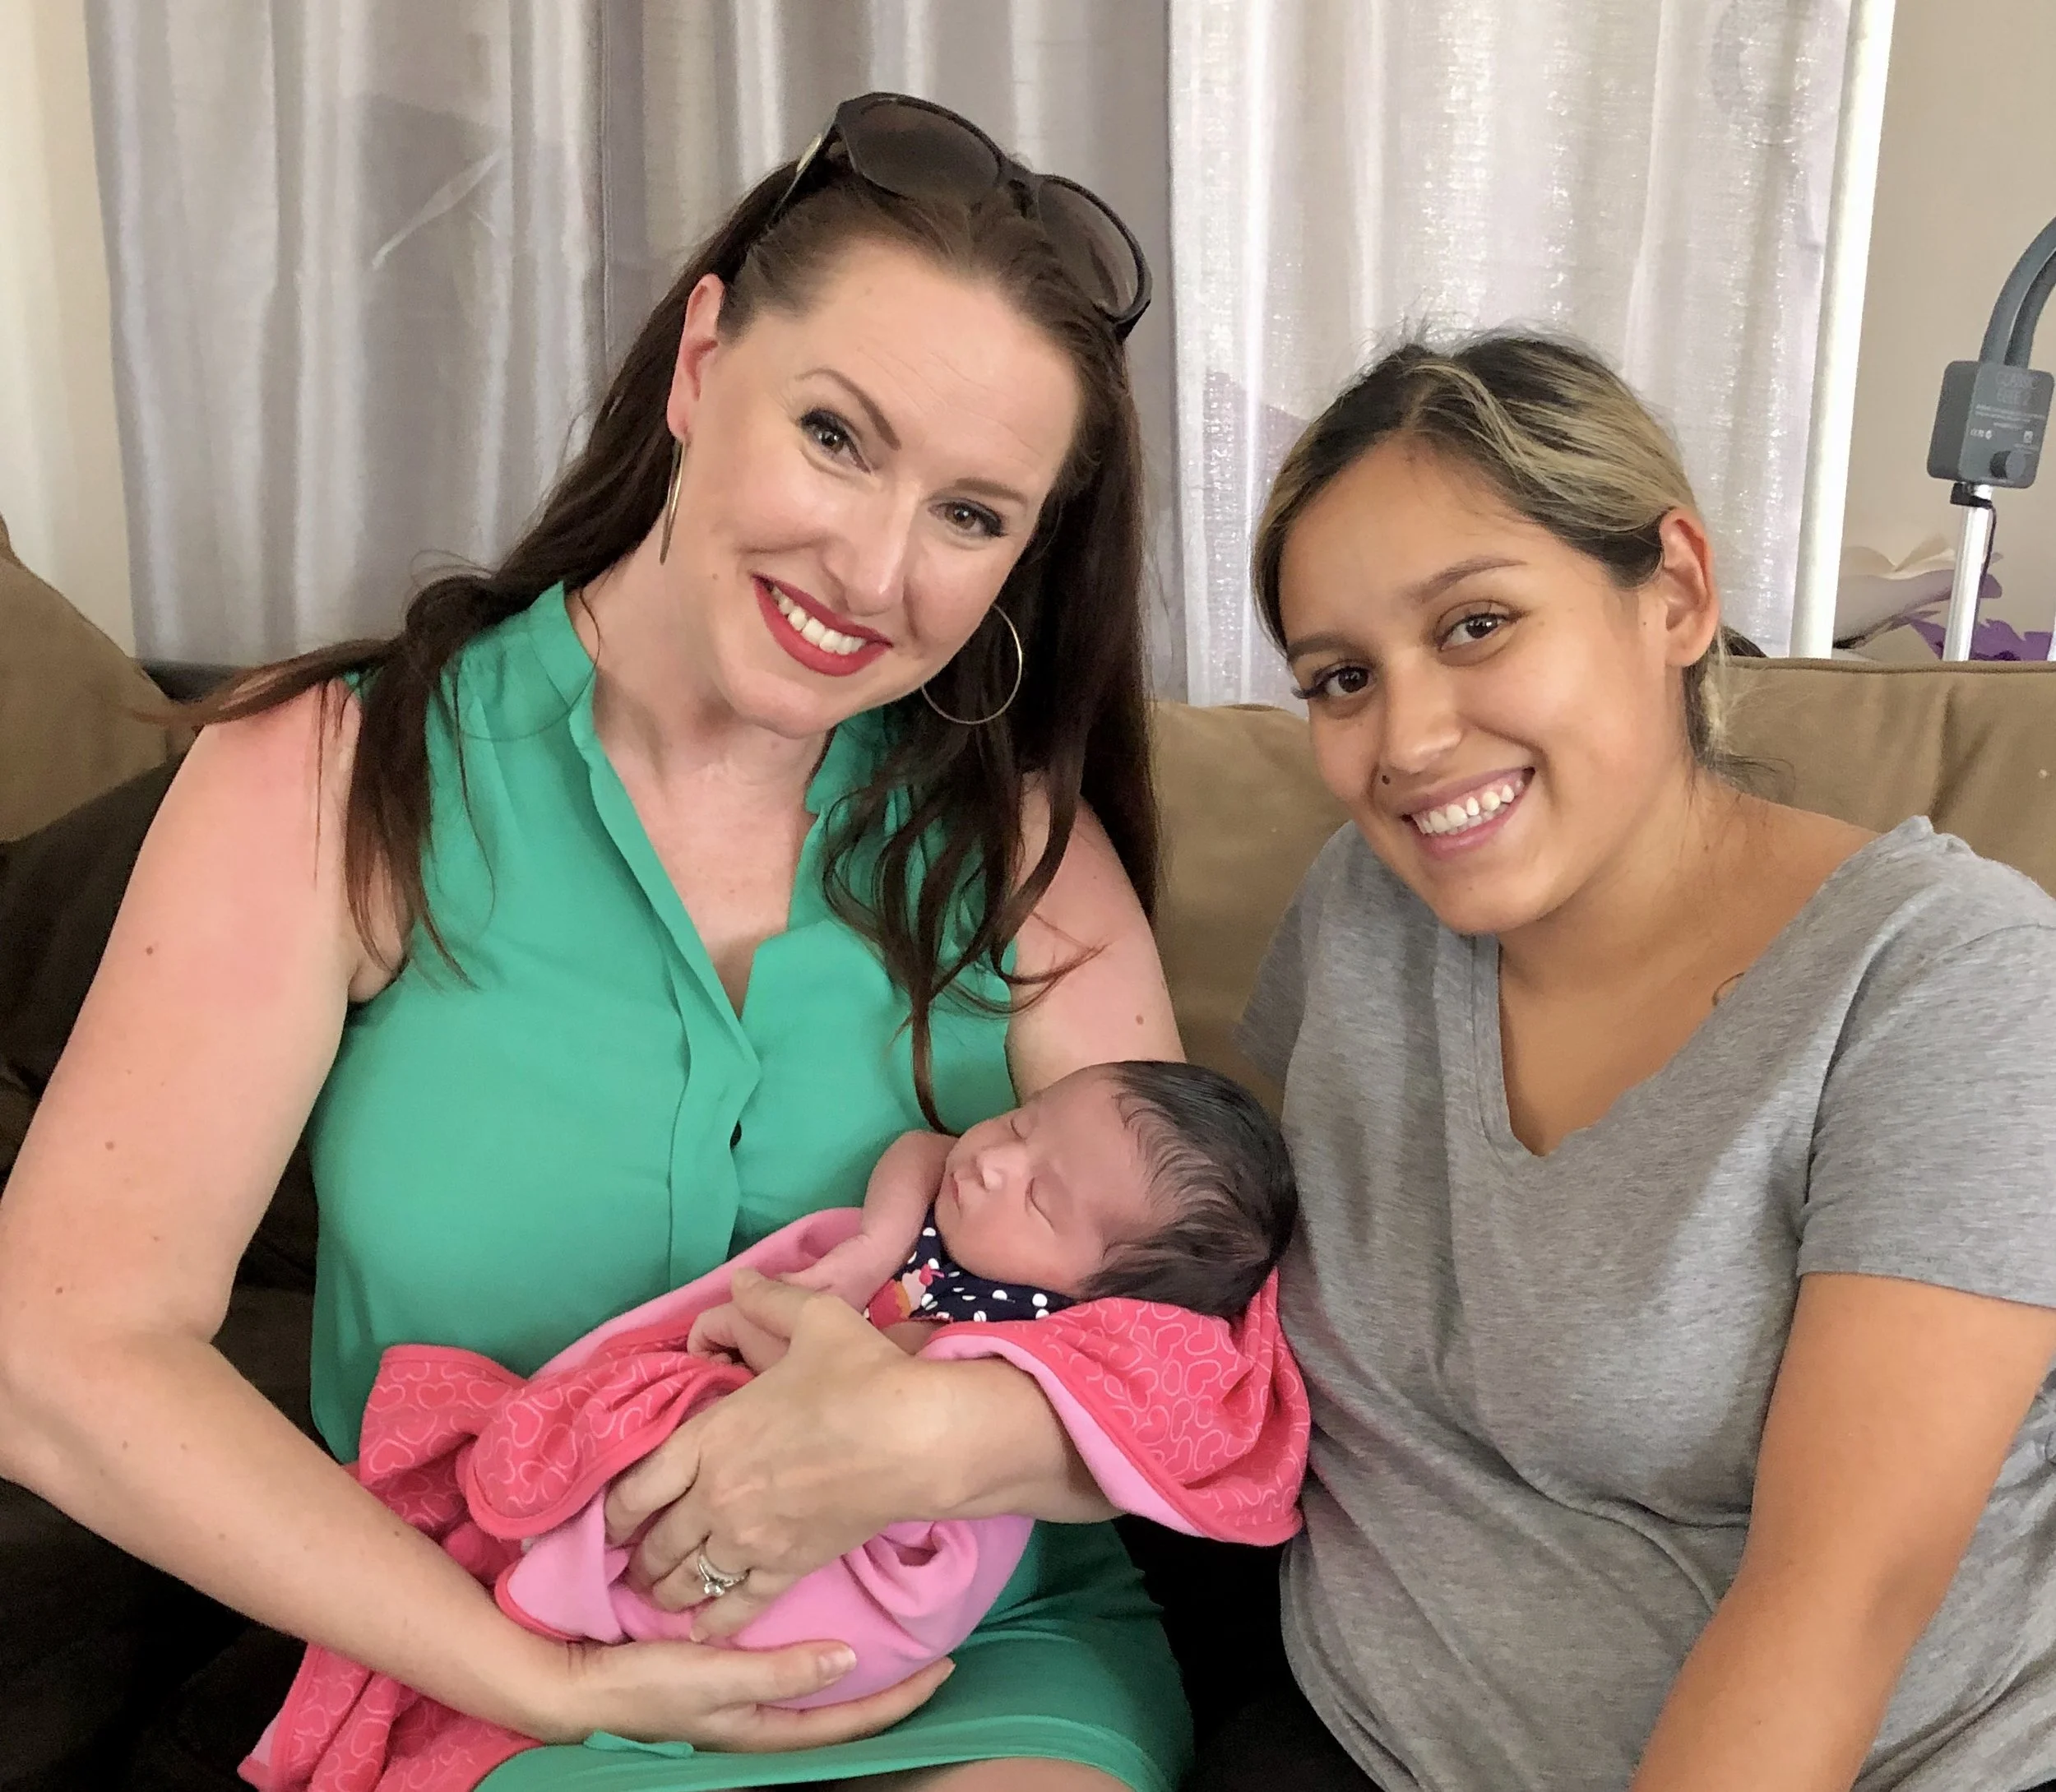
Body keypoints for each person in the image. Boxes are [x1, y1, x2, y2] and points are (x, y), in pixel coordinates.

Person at [0, 94, 1200, 1792]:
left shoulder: (1014, 853)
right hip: (488, 1651)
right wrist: (532, 1679)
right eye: (838, 436)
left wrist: (939, 1429)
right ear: (701, 362)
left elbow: (1205, 1343)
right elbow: (60, 1346)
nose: (870, 568)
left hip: (964, 1643)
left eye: (971, 515)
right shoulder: (336, 784)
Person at [1190, 334, 2056, 1792]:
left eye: (1475, 625)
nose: (1405, 737)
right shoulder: (1360, 911)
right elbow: (1225, 1296)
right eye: (1342, 676)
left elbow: (1838, 1605)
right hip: (1349, 1728)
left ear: (1676, 590)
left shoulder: (1950, 980)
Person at [686, 1058, 1298, 1352]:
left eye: (1039, 1197)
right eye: (1019, 1123)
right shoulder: (967, 1206)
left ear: (1102, 1296)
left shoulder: (1013, 1336)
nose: (992, 1160)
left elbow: (850, 1383)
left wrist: (749, 1331)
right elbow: (923, 1148)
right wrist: (875, 1246)